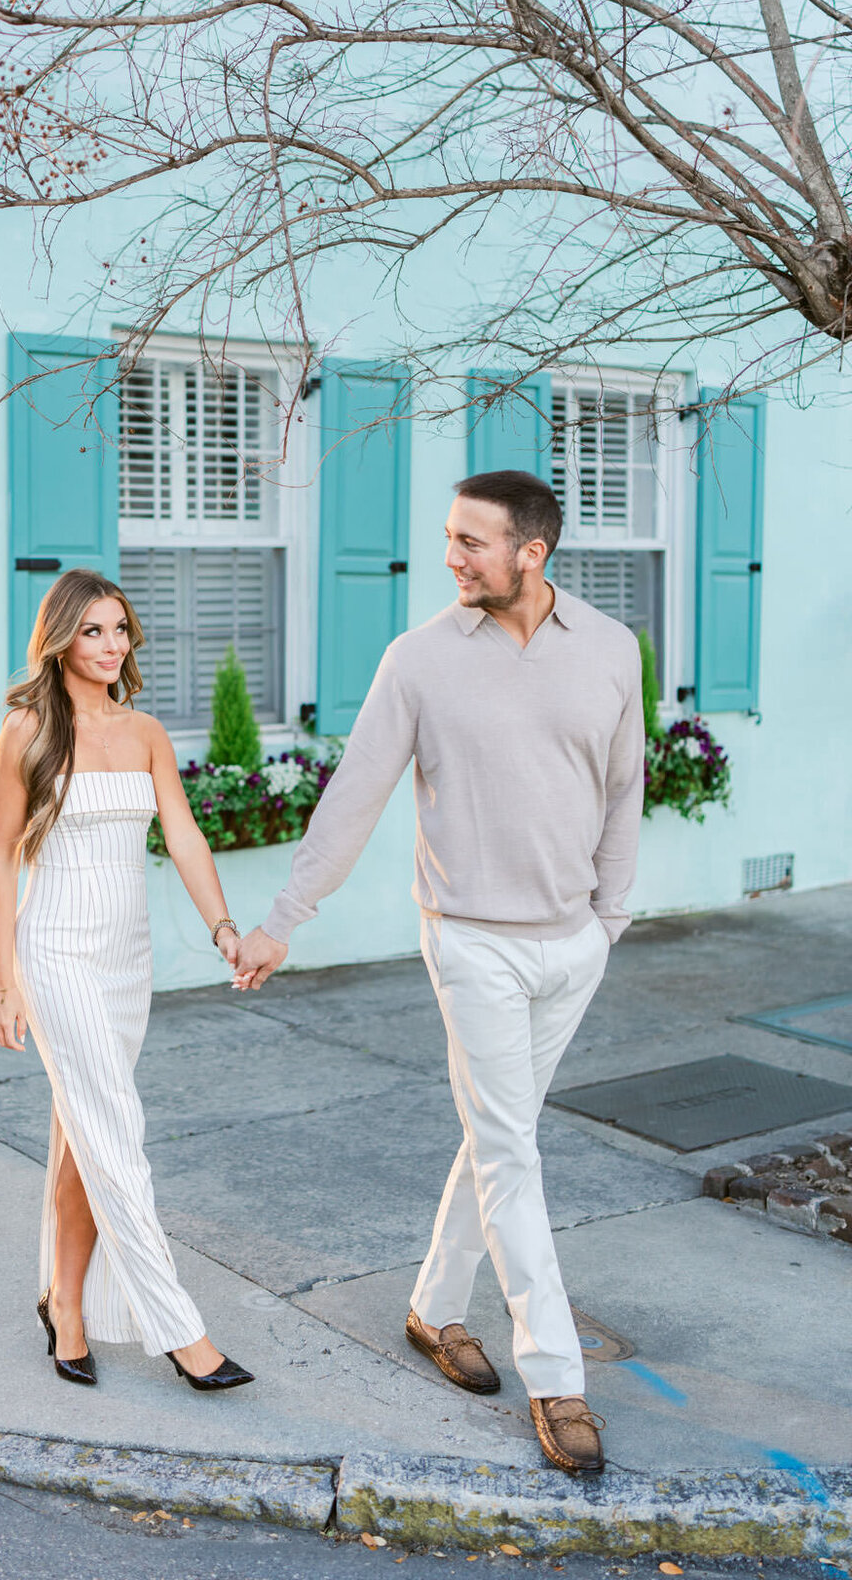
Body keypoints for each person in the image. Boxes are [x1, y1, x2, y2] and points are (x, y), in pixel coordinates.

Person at [233, 469, 643, 1474]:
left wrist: (610, 918)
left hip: (573, 943)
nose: (451, 558)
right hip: (471, 940)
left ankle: (431, 1309)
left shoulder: (612, 650)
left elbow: (625, 784)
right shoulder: (418, 660)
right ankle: (556, 1378)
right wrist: (286, 917)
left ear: (530, 554)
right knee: (510, 1149)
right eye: (450, 539)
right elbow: (355, 797)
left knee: (497, 1136)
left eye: (471, 543)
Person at [0, 568, 253, 1392]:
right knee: (118, 1136)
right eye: (95, 631)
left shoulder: (144, 732)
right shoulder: (27, 731)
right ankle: (180, 1331)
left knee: (85, 1137)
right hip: (56, 949)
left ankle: (65, 1303)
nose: (111, 646)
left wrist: (224, 929)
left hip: (126, 957)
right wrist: (5, 980)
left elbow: (185, 837)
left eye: (121, 630)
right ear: (61, 637)